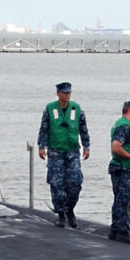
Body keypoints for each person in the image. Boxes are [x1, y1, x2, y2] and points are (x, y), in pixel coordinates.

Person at [36, 81, 90, 227]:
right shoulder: (50, 109)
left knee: (75, 183)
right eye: (64, 93)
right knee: (56, 184)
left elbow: (83, 129)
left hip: (72, 151)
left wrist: (86, 146)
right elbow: (44, 129)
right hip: (55, 151)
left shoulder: (76, 109)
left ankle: (70, 209)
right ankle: (60, 213)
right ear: (58, 93)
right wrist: (42, 146)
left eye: (69, 93)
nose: (67, 95)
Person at [106, 101, 130, 243]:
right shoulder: (125, 127)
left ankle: (115, 229)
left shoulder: (120, 124)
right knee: (126, 200)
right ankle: (123, 230)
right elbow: (116, 147)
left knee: (119, 199)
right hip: (123, 168)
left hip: (120, 167)